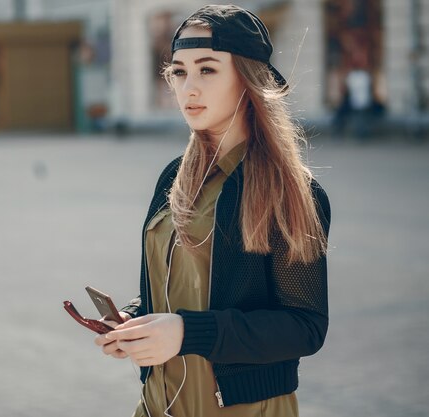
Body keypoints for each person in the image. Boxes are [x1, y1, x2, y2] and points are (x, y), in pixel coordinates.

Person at [94, 5, 331, 417]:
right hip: (158, 407)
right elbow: (184, 282)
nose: (188, 88)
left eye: (207, 70)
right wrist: (135, 320)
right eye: (179, 72)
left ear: (247, 78)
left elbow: (304, 327)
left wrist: (187, 333)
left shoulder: (287, 190)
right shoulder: (174, 177)